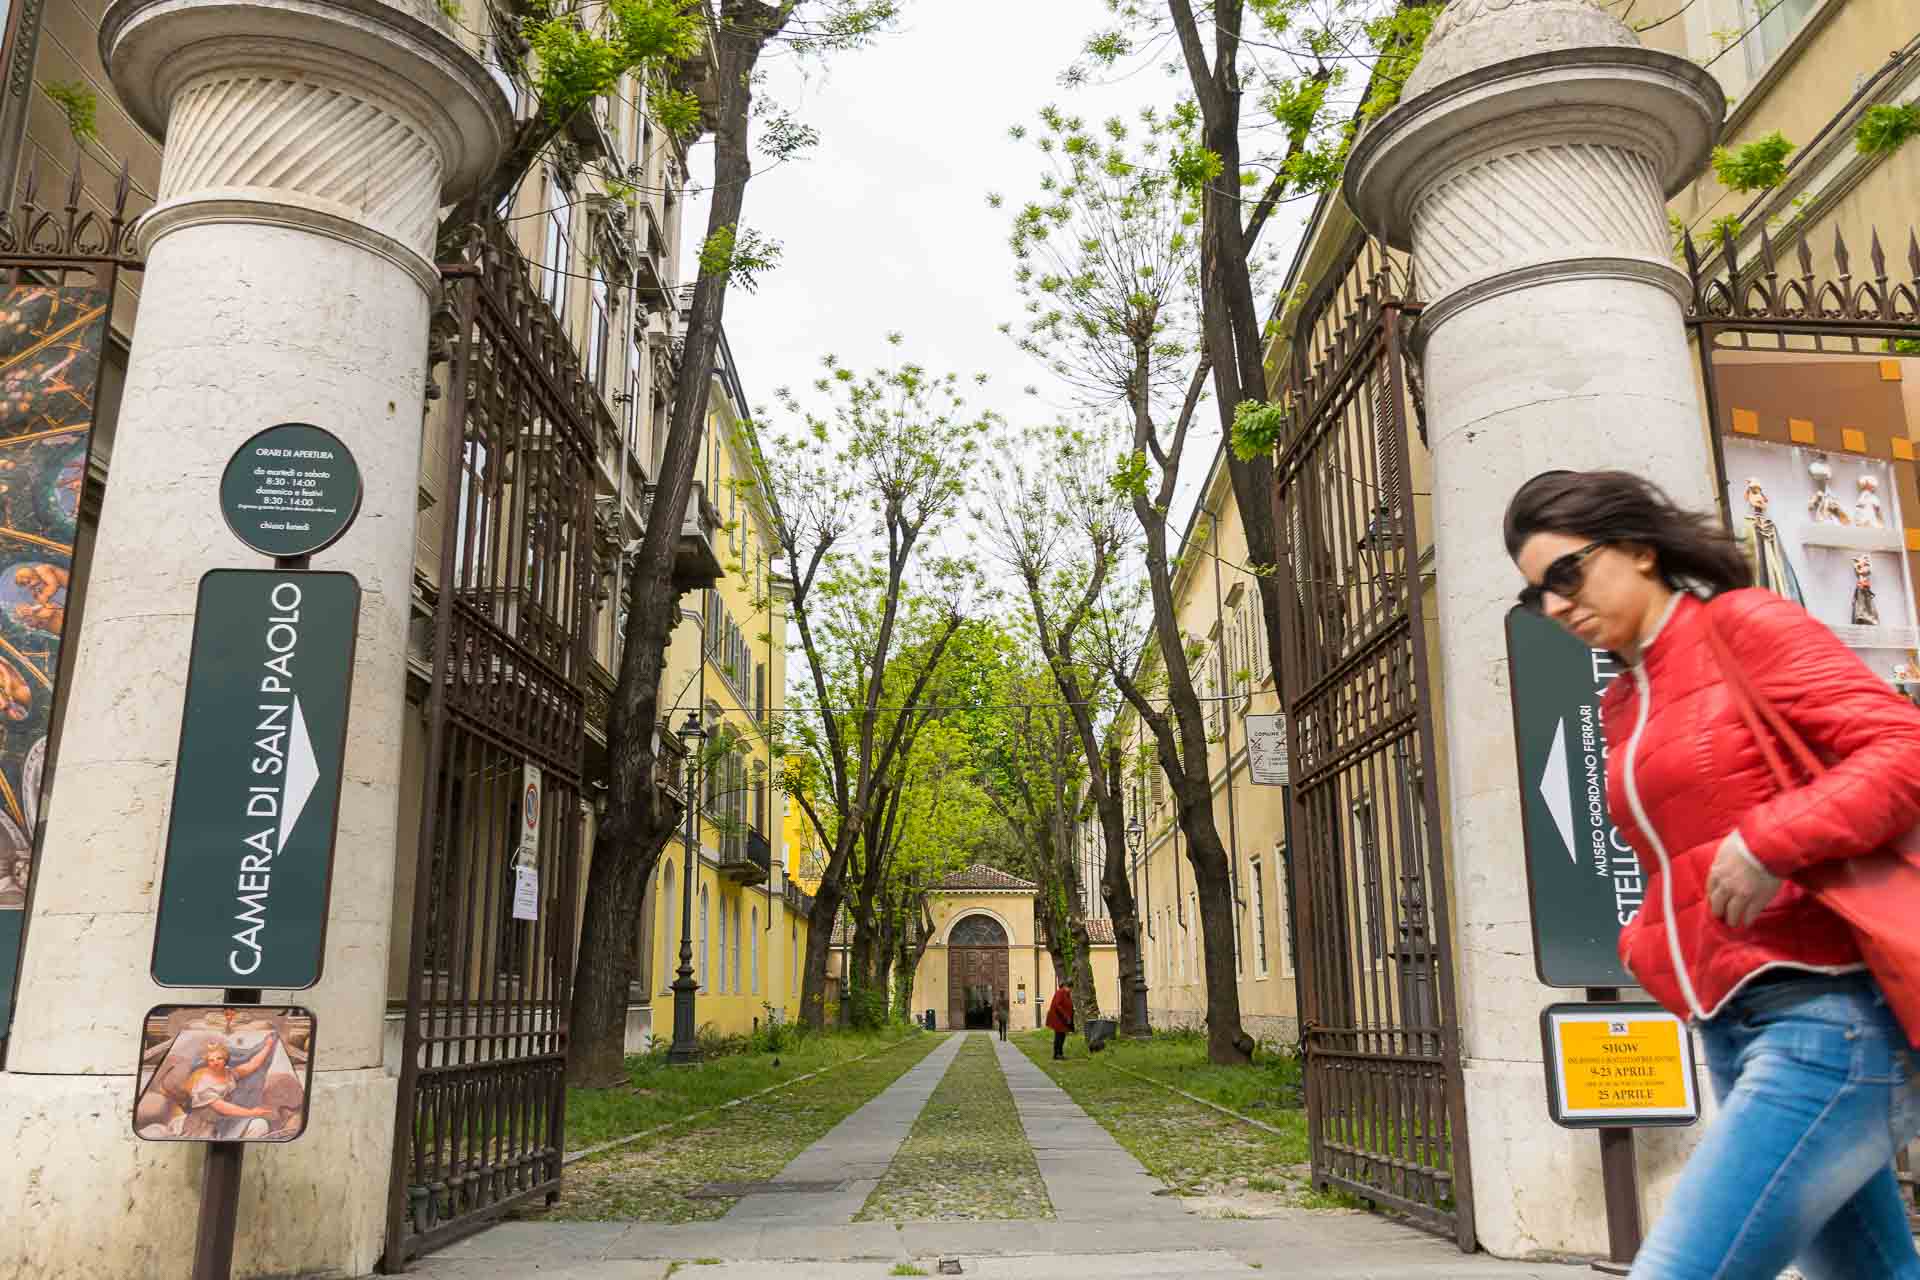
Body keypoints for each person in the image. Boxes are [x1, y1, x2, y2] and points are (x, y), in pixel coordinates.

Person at [1505, 470, 1920, 1280]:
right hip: (1732, 1025)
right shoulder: (1622, 701)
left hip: (1827, 1017)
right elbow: (1671, 851)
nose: (1555, 606)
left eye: (1566, 575)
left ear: (1637, 548)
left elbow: (1904, 747)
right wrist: (1646, 941)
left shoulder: (1744, 626)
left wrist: (1772, 840)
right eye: (1535, 596)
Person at [1045, 982, 1074, 1061]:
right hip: (1058, 1019)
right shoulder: (1061, 992)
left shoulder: (1065, 993)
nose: (1071, 991)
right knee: (1059, 1036)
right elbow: (1057, 1005)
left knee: (1062, 1036)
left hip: (1062, 1019)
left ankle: (1060, 1053)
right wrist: (1066, 1016)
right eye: (1070, 988)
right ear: (1067, 987)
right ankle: (1057, 1054)